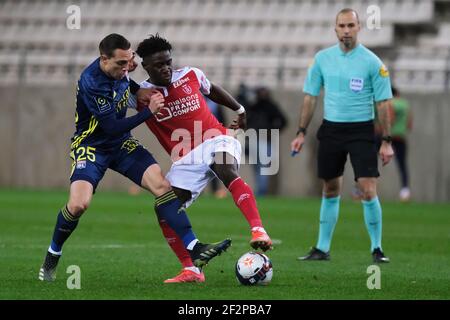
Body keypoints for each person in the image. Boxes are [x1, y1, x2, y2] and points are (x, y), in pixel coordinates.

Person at [38, 34, 231, 283]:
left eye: (129, 61)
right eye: (121, 63)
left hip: (122, 145)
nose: (127, 67)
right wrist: (149, 111)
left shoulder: (122, 66)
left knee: (163, 188)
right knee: (78, 205)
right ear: (104, 60)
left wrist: (139, 89)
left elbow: (127, 83)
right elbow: (111, 127)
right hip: (92, 146)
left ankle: (194, 247)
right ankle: (53, 254)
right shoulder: (92, 82)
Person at [134, 34, 273, 282]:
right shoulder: (142, 95)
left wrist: (239, 109)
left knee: (224, 168)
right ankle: (191, 269)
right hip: (185, 158)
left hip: (215, 137)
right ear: (145, 66)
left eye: (168, 62)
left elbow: (213, 89)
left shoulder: (189, 74)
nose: (166, 68)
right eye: (158, 65)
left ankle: (258, 229)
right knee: (164, 208)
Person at [290, 9, 394, 263]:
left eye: (351, 25)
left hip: (361, 130)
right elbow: (310, 97)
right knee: (330, 187)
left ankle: (377, 248)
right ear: (335, 28)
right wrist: (301, 132)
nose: (346, 30)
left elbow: (383, 104)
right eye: (341, 26)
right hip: (332, 129)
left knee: (368, 188)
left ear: (359, 27)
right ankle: (322, 248)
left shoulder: (372, 62)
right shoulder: (322, 59)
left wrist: (387, 141)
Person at [246, 87, 287, 196]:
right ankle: (260, 191)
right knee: (260, 168)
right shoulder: (256, 106)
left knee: (261, 168)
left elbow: (283, 121)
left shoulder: (267, 106)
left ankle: (261, 191)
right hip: (255, 139)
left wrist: (273, 131)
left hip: (263, 140)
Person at [390, 86, 412, 202]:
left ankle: (361, 190)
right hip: (401, 136)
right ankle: (405, 191)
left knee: (371, 160)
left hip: (388, 136)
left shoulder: (389, 102)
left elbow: (390, 118)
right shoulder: (405, 104)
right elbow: (409, 123)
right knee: (402, 165)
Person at [204, 95, 228, 199]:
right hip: (199, 139)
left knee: (214, 165)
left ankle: (215, 190)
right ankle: (197, 190)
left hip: (214, 139)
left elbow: (223, 121)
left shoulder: (216, 104)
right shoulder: (198, 102)